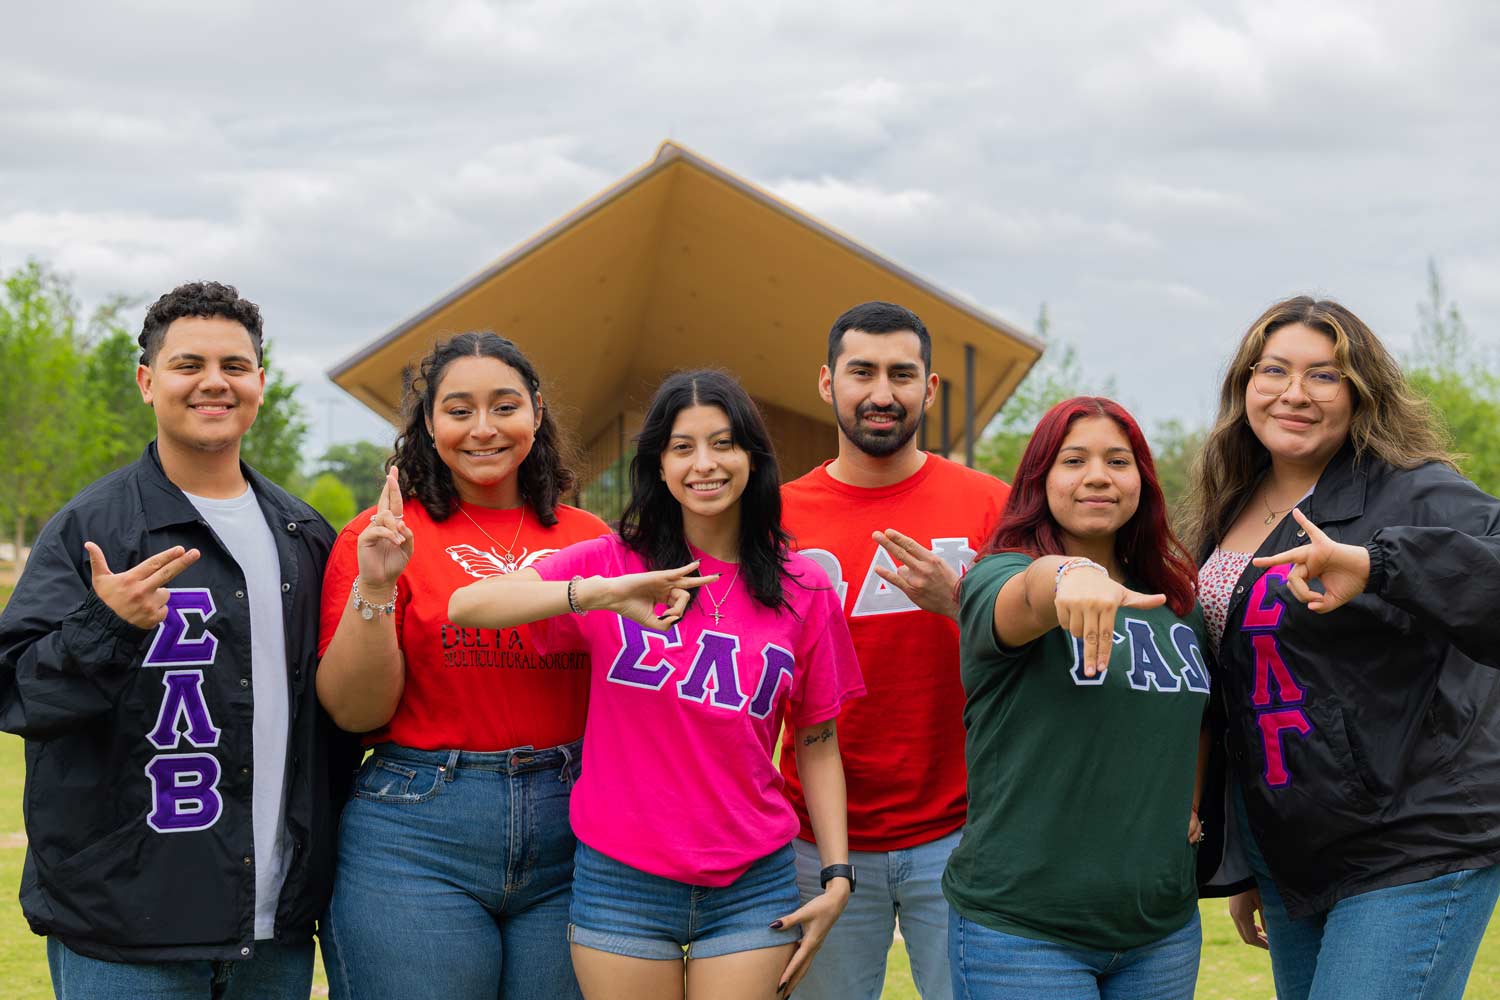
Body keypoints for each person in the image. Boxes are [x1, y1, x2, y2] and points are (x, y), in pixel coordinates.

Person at [449, 369, 864, 1000]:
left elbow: (819, 740)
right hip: (622, 880)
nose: (705, 464)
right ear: (660, 466)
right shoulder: (613, 563)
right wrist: (602, 594)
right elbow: (467, 606)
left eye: (723, 444)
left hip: (752, 881)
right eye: (682, 447)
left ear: (753, 457)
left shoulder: (803, 586)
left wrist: (837, 875)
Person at [0, 282, 358, 999]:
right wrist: (107, 626)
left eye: (234, 364)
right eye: (188, 363)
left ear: (259, 381)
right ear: (147, 381)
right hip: (125, 932)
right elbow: (19, 694)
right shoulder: (91, 527)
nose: (213, 382)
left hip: (274, 930)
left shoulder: (304, 535)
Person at [1183, 296, 1500, 1000]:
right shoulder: (1231, 505)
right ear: (1245, 386)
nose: (1294, 393)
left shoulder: (1416, 491)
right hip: (1293, 852)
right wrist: (1250, 858)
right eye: (1274, 371)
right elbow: (1241, 689)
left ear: (1361, 394)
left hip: (1415, 837)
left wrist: (1383, 565)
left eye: (1324, 376)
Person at [315, 332, 611, 1000]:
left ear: (536, 412)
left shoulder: (594, 542)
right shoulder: (377, 539)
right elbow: (356, 712)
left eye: (504, 406)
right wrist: (378, 587)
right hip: (417, 833)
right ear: (429, 424)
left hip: (577, 835)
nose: (484, 428)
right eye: (458, 410)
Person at [777, 301, 1010, 1000]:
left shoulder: (991, 505)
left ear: (929, 389)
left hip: (963, 829)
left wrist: (961, 602)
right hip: (812, 837)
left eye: (902, 374)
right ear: (827, 383)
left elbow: (1035, 649)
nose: (883, 393)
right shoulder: (775, 517)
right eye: (863, 372)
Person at [947, 396, 1209, 999]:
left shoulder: (1176, 604)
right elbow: (1030, 596)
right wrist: (1069, 574)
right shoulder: (997, 576)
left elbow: (1198, 721)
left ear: (1142, 481)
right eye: (1074, 460)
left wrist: (1189, 805)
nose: (1097, 475)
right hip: (1023, 934)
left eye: (1118, 461)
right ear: (1040, 481)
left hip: (1161, 932)